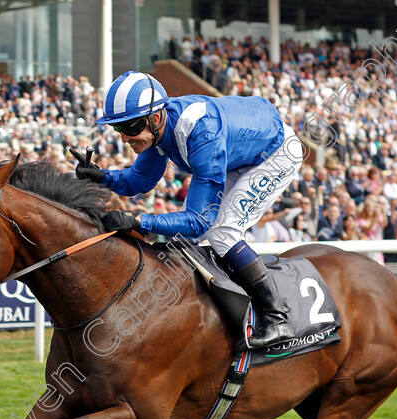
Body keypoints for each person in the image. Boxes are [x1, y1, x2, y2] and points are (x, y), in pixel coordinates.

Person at [77, 71, 302, 348]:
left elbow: (199, 221)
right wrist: (102, 177)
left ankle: (277, 318)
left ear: (155, 118)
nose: (124, 137)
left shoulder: (200, 133)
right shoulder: (157, 130)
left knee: (221, 231)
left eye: (131, 127)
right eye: (118, 128)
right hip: (239, 154)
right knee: (186, 240)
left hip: (275, 153)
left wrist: (138, 220)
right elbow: (141, 181)